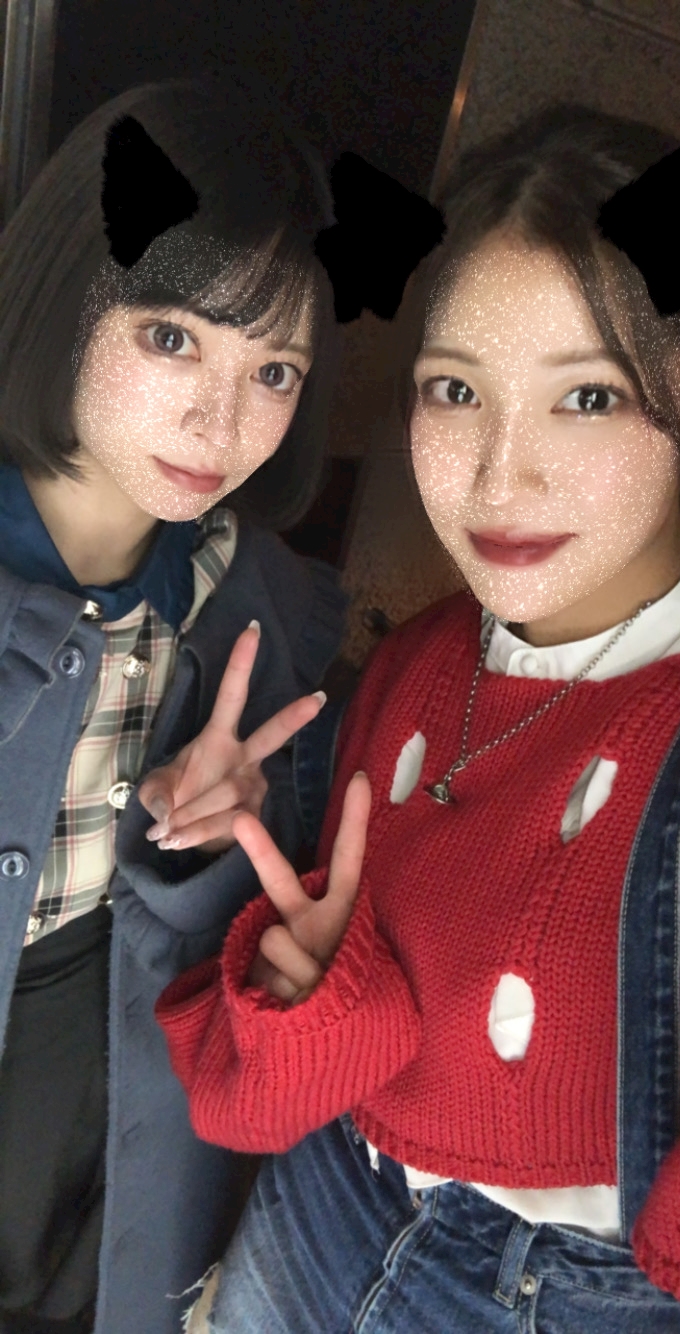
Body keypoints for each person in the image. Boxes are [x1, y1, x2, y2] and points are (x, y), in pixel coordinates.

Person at [156, 104, 680, 1332]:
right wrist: (302, 985)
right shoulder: (421, 659)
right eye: (456, 388)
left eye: (588, 396)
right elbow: (313, 1056)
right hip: (325, 1194)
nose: (498, 472)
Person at [0, 76, 347, 1334]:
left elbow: (256, 954)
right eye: (171, 337)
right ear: (68, 289)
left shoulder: (264, 608)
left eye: (274, 368)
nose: (220, 419)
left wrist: (214, 845)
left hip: (118, 1170)